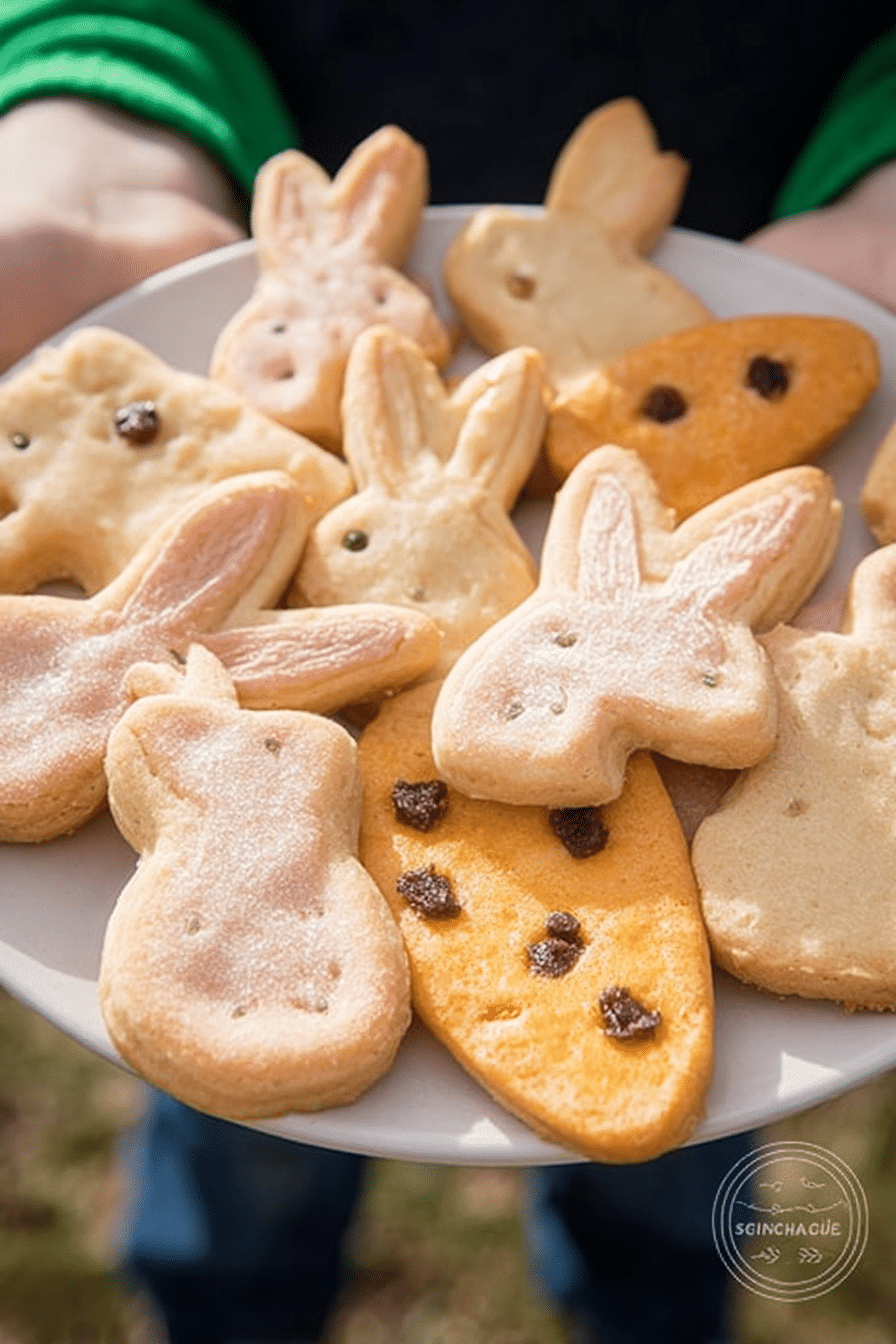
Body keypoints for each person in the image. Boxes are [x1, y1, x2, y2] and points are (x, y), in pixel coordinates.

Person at [3, 5, 896, 1342]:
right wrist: (99, 129)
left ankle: (650, 1299)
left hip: (783, 210)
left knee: (675, 1152)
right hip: (246, 161)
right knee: (238, 1145)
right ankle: (222, 1298)